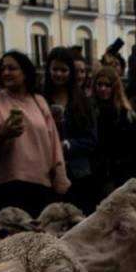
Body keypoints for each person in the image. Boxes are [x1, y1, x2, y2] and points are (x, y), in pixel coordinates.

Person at [0, 50, 68, 215]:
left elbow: (53, 141)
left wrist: (60, 175)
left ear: (25, 72)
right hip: (8, 186)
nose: (6, 72)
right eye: (3, 69)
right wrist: (3, 134)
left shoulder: (39, 101)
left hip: (42, 185)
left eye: (12, 68)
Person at [44, 46, 99, 211]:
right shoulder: (39, 98)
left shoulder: (83, 102)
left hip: (78, 173)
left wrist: (68, 144)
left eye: (63, 70)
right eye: (55, 69)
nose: (59, 74)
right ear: (49, 70)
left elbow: (92, 140)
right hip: (46, 173)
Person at [91, 63, 136, 194]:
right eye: (100, 85)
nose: (103, 89)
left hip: (122, 175)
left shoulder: (126, 115)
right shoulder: (89, 112)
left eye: (107, 85)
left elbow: (134, 149)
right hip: (98, 174)